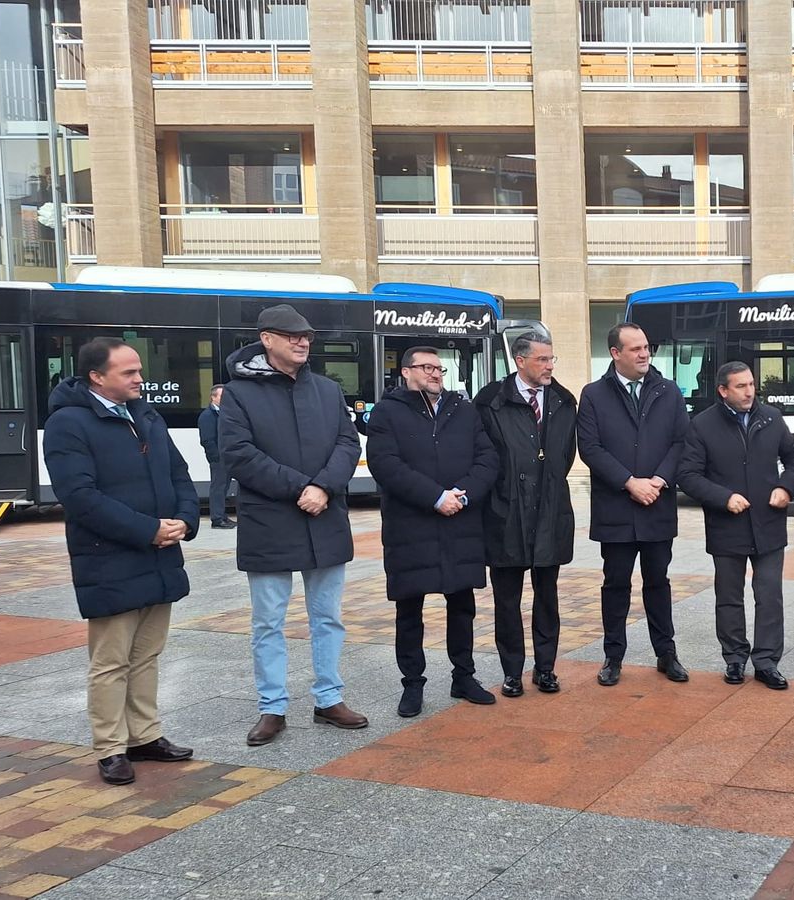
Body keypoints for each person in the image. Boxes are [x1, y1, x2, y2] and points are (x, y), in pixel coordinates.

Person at [43, 337, 198, 785]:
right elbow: (79, 497)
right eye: (128, 372)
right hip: (109, 559)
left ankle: (145, 736)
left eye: (138, 370)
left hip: (161, 554)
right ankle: (111, 747)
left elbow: (179, 474)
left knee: (147, 655)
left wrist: (185, 521)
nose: (139, 378)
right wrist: (147, 529)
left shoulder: (146, 416)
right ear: (97, 376)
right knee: (111, 660)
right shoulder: (68, 424)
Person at [220, 304, 367, 745]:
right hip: (271, 522)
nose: (303, 342)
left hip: (324, 519)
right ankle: (272, 707)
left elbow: (347, 441)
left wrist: (322, 487)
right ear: (267, 339)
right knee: (268, 621)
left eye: (306, 336)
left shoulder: (326, 389)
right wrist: (300, 487)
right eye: (291, 336)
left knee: (328, 617)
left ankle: (328, 699)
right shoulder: (240, 394)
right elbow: (239, 454)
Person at [366, 346, 501, 717]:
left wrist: (464, 495)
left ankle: (464, 676)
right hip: (412, 525)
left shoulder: (463, 408)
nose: (435, 374)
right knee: (410, 609)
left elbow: (488, 458)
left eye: (439, 368)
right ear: (406, 372)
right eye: (426, 367)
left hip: (461, 522)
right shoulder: (388, 412)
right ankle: (412, 684)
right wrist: (434, 497)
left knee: (462, 606)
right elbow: (385, 464)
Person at [678, 361, 794, 689]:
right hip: (727, 526)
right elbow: (688, 475)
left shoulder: (771, 418)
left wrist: (786, 487)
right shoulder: (703, 425)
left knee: (769, 596)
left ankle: (766, 662)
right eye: (741, 386)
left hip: (768, 523)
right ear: (723, 390)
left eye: (751, 384)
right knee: (729, 596)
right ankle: (734, 659)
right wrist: (723, 498)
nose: (750, 391)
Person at [576, 323, 691, 687]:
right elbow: (590, 448)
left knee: (658, 581)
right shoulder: (594, 394)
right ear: (615, 353)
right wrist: (629, 482)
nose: (644, 354)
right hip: (616, 508)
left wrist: (657, 481)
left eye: (646, 347)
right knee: (616, 584)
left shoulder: (668, 390)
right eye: (636, 349)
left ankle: (666, 653)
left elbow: (681, 442)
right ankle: (613, 657)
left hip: (657, 503)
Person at [474, 333, 577, 697]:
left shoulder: (565, 401)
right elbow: (484, 457)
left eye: (552, 359)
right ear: (520, 361)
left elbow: (564, 458)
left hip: (550, 510)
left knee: (547, 596)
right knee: (507, 599)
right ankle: (512, 671)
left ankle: (545, 668)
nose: (550, 366)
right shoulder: (490, 401)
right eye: (542, 359)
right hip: (505, 512)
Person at [197, 385, 236, 529]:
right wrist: (216, 457)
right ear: (213, 397)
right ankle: (217, 519)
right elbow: (207, 439)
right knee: (218, 488)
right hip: (219, 459)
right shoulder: (207, 416)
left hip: (227, 457)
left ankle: (222, 516)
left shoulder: (225, 413)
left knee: (224, 488)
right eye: (222, 396)